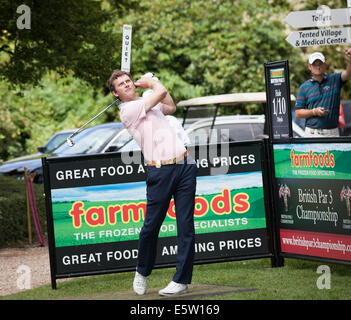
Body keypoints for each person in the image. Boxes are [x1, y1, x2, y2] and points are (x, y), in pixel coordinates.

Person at [107, 70, 198, 296]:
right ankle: (142, 270)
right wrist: (152, 83)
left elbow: (170, 106)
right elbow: (160, 92)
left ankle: (181, 279)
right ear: (115, 93)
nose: (127, 84)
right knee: (151, 226)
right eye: (121, 84)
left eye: (128, 81)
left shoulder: (147, 102)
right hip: (160, 171)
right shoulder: (127, 110)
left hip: (184, 165)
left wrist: (153, 84)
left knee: (186, 226)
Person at [295, 49, 351, 137]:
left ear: (325, 65)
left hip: (333, 133)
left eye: (320, 64)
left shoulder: (335, 79)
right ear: (310, 67)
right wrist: (314, 112)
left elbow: (348, 73)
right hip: (312, 133)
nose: (318, 67)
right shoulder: (304, 87)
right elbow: (298, 113)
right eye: (314, 65)